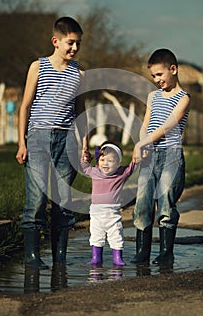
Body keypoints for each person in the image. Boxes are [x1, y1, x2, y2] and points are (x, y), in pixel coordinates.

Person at [16, 16, 89, 269]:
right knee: (36, 200)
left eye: (78, 44)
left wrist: (85, 144)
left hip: (67, 141)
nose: (75, 48)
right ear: (55, 41)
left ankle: (60, 258)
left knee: (62, 202)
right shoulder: (38, 67)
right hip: (37, 138)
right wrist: (21, 143)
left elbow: (81, 111)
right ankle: (32, 257)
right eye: (70, 43)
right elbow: (25, 106)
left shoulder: (79, 73)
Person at [132, 48, 191, 266]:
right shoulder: (153, 96)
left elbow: (169, 125)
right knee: (143, 203)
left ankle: (166, 253)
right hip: (150, 155)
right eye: (153, 76)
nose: (157, 80)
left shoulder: (183, 98)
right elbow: (146, 124)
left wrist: (143, 142)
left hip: (171, 156)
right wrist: (143, 142)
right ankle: (142, 252)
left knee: (165, 203)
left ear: (173, 69)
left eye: (159, 75)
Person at [81, 142, 139, 266]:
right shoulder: (94, 171)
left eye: (110, 161)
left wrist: (138, 155)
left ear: (118, 163)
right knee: (96, 235)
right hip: (96, 214)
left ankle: (117, 258)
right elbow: (84, 167)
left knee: (116, 235)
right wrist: (85, 158)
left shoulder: (121, 173)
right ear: (98, 161)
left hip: (113, 214)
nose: (105, 164)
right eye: (102, 160)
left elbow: (133, 167)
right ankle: (96, 257)